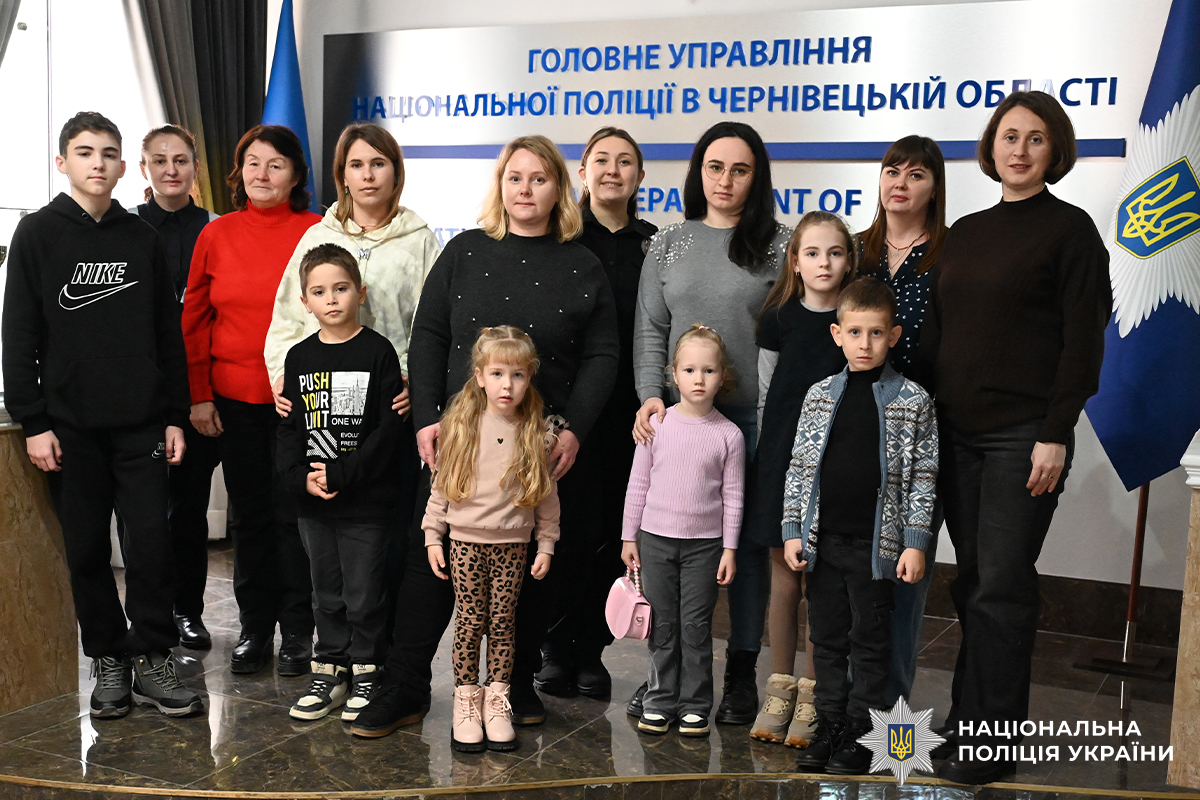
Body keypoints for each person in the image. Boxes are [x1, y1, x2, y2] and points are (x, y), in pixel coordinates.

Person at [349, 135, 618, 738]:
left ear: (558, 189)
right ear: (500, 185)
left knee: (527, 570)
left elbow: (603, 354)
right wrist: (426, 418)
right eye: (515, 177)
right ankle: (406, 686)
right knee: (429, 563)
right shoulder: (465, 252)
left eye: (539, 178)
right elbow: (428, 336)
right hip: (459, 443)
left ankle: (513, 683)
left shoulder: (583, 264)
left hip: (538, 449)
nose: (526, 189)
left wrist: (574, 430)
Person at [921, 92, 1111, 786]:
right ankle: (969, 720)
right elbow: (941, 331)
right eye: (1009, 136)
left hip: (1023, 437)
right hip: (956, 433)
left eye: (1035, 137)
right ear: (991, 146)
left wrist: (1056, 432)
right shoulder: (965, 232)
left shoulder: (1070, 230)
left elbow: (1083, 340)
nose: (1020, 149)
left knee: (1001, 585)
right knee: (974, 582)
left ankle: (993, 741)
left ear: (1055, 148)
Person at [2, 111, 202, 718]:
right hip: (69, 429)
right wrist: (34, 421)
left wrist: (174, 414)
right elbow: (19, 332)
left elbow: (167, 334)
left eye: (108, 153)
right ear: (62, 162)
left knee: (152, 548)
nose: (98, 162)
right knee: (87, 550)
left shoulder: (141, 237)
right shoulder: (37, 233)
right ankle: (109, 658)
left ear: (122, 167)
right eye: (85, 152)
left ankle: (153, 656)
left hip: (141, 423)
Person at [631, 121, 790, 725]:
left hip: (751, 423)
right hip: (676, 423)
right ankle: (664, 677)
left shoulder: (781, 245)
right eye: (715, 167)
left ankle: (741, 673)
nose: (725, 180)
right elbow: (651, 329)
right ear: (699, 172)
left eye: (740, 169)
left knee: (742, 550)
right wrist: (651, 396)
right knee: (667, 553)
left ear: (757, 177)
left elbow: (793, 334)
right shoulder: (668, 243)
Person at [264, 122, 441, 646]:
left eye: (378, 164)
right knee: (321, 536)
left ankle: (379, 651)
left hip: (390, 406)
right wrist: (282, 377)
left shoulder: (420, 239)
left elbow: (430, 324)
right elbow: (287, 319)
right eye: (356, 165)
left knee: (385, 534)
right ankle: (332, 648)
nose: (368, 175)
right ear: (341, 174)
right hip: (324, 408)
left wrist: (415, 380)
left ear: (395, 172)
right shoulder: (318, 238)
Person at [782, 277, 938, 775]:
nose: (864, 344)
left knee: (870, 644)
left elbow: (923, 478)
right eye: (854, 332)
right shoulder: (819, 396)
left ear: (893, 336)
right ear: (838, 334)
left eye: (875, 333)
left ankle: (861, 732)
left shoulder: (913, 400)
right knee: (826, 639)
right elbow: (799, 467)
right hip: (823, 544)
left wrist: (914, 542)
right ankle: (828, 726)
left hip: (877, 549)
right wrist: (792, 529)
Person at [182, 124, 322, 677]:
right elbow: (195, 321)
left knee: (296, 516)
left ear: (296, 175)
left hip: (303, 401)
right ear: (239, 173)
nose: (262, 174)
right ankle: (255, 629)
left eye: (276, 164)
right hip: (233, 399)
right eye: (253, 163)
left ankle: (299, 632)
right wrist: (199, 396)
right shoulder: (215, 234)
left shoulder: (316, 231)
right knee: (250, 517)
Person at [536, 126, 656, 699]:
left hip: (631, 414)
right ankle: (553, 647)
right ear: (582, 172)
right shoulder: (559, 238)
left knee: (614, 533)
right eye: (601, 160)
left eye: (625, 161)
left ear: (640, 175)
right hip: (568, 412)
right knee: (561, 529)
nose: (613, 170)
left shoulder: (655, 245)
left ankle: (591, 650)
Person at [276, 244, 404, 722]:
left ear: (360, 293)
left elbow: (387, 431)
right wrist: (300, 480)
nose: (331, 299)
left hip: (365, 501)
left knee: (364, 593)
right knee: (325, 592)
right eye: (319, 292)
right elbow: (288, 429)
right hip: (314, 502)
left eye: (341, 288)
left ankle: (368, 668)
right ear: (305, 301)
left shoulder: (378, 352)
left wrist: (343, 474)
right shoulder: (298, 357)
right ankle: (330, 668)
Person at [424, 326, 560, 753]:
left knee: (502, 624)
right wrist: (433, 536)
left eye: (517, 375)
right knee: (469, 623)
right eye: (498, 374)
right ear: (480, 376)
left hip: (513, 547)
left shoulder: (535, 431)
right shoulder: (461, 426)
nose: (507, 385)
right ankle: (466, 703)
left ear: (529, 378)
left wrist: (546, 543)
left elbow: (547, 495)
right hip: (465, 544)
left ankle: (497, 702)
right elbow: (441, 486)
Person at [747, 211, 855, 747]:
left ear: (849, 261)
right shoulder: (778, 318)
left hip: (834, 468)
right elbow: (768, 396)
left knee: (823, 585)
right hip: (782, 466)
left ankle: (814, 696)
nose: (823, 263)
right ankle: (779, 689)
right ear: (794, 261)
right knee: (784, 579)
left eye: (835, 252)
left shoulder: (854, 322)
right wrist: (770, 463)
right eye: (812, 253)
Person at [856, 135, 948, 706]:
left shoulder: (950, 255)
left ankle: (890, 712)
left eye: (916, 174)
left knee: (905, 573)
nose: (901, 183)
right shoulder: (854, 251)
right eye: (893, 171)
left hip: (917, 433)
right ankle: (844, 707)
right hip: (852, 428)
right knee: (848, 574)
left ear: (934, 187)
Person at [622, 324, 744, 738]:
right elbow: (638, 483)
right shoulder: (656, 425)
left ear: (722, 377)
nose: (699, 379)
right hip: (655, 542)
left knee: (695, 626)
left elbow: (733, 496)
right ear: (673, 375)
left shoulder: (729, 435)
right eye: (690, 370)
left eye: (709, 370)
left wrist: (729, 549)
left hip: (705, 548)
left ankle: (695, 704)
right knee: (663, 625)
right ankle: (659, 700)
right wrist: (629, 536)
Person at [130, 124, 221, 651]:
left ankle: (188, 610)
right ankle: (148, 614)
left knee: (187, 510)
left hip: (197, 390)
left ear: (194, 169)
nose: (171, 169)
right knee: (142, 513)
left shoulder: (215, 228)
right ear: (144, 168)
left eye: (181, 160)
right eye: (160, 160)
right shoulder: (124, 226)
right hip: (140, 391)